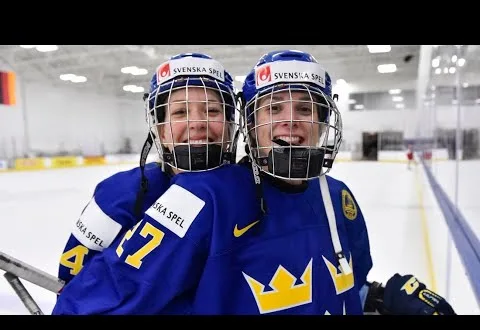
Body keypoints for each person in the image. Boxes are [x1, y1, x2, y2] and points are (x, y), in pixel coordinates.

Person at [52, 50, 455, 315]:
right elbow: (92, 301)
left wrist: (380, 299)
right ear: (249, 124)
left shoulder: (338, 199)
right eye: (274, 107)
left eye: (306, 108)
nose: (291, 120)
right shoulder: (203, 196)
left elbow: (341, 287)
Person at [56, 52, 239, 287]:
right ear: (161, 130)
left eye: (212, 111)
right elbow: (72, 281)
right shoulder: (119, 195)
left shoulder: (254, 193)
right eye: (180, 112)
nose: (197, 123)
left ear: (230, 124)